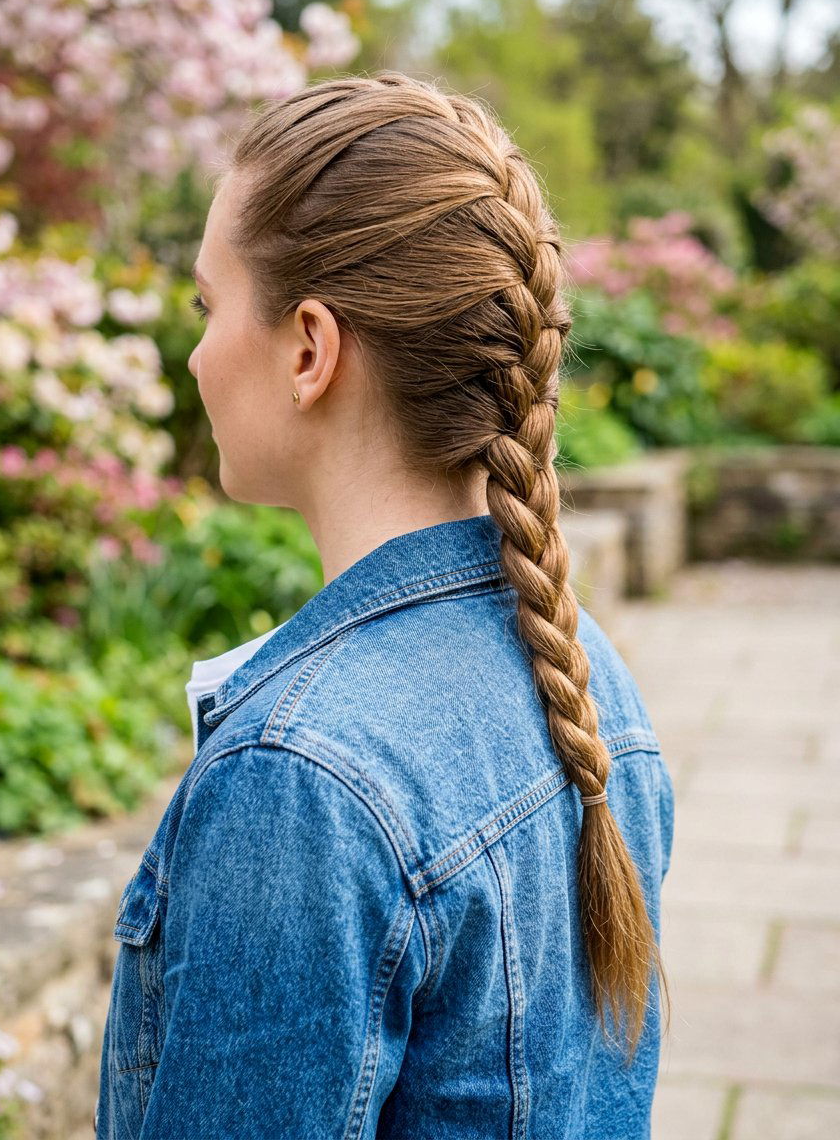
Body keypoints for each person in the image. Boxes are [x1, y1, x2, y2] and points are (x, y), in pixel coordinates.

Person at [94, 70, 675, 1140]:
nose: (192, 352)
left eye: (206, 307)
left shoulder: (299, 778)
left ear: (309, 349)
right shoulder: (588, 682)